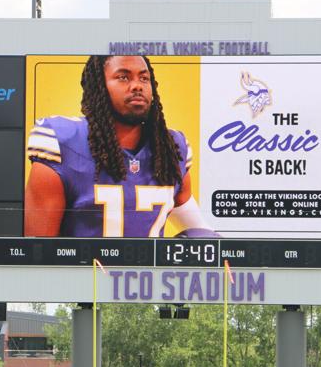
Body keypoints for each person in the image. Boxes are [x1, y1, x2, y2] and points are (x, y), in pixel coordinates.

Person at [25, 55, 212, 237]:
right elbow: (38, 253)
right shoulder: (62, 142)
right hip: (87, 269)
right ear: (99, 87)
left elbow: (200, 231)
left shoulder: (171, 150)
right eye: (123, 77)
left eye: (144, 78)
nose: (137, 85)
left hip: (148, 270)